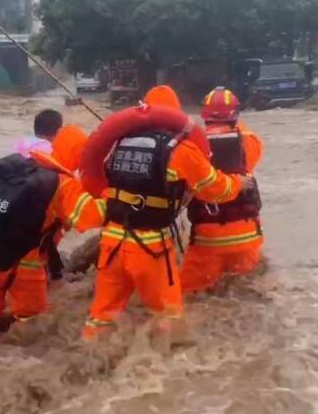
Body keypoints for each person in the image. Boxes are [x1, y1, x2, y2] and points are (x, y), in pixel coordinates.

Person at [82, 85, 249, 340]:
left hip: (111, 241)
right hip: (150, 248)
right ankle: (160, 373)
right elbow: (214, 189)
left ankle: (90, 360)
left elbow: (103, 181)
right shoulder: (180, 149)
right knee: (169, 318)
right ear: (174, 114)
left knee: (102, 316)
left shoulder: (118, 143)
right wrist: (239, 183)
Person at [0, 134, 105, 352]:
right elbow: (90, 217)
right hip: (24, 267)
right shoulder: (63, 184)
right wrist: (113, 196)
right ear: (77, 158)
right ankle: (11, 361)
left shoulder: (19, 164)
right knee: (31, 318)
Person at [181, 87, 264, 293]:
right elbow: (246, 133)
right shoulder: (249, 141)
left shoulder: (192, 147)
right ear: (235, 115)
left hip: (208, 239)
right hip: (248, 237)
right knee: (245, 293)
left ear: (204, 115)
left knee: (189, 297)